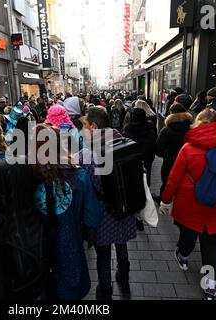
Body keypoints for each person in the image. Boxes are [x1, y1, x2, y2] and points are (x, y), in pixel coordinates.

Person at [161, 108, 216, 301]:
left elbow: (174, 178)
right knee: (212, 246)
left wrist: (166, 200)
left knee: (188, 235)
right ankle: (209, 286)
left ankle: (183, 256)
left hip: (190, 205)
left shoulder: (188, 148)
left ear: (197, 124)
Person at [32, 124, 103, 300]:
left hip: (35, 248)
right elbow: (93, 215)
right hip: (70, 244)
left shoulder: (26, 175)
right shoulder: (78, 175)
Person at [81, 107, 137, 300]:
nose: (83, 129)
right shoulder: (125, 143)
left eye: (85, 125)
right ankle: (124, 280)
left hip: (102, 213)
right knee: (122, 248)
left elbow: (83, 187)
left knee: (103, 256)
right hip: (123, 208)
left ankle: (105, 291)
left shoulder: (87, 155)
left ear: (94, 126)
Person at [155, 103, 193, 203]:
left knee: (167, 180)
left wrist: (166, 154)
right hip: (188, 160)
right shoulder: (191, 129)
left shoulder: (166, 130)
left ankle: (163, 199)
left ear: (171, 113)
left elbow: (158, 149)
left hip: (170, 160)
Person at [124, 108, 157, 187]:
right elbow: (154, 145)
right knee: (147, 174)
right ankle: (147, 189)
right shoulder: (151, 131)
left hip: (133, 160)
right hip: (147, 158)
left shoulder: (127, 132)